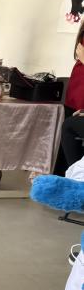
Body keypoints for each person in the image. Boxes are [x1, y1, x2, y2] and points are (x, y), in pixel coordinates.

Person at [55, 19, 84, 175]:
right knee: (66, 135)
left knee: (70, 127)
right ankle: (63, 179)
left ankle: (75, 179)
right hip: (77, 87)